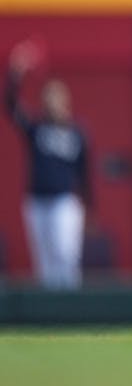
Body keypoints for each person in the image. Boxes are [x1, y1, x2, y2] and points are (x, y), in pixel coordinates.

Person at [4, 40, 91, 289]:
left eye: (57, 96)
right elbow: (11, 107)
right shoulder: (36, 127)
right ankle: (50, 319)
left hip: (65, 201)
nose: (53, 101)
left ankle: (70, 312)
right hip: (37, 200)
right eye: (49, 96)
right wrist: (16, 72)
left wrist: (89, 208)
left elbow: (85, 173)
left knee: (66, 255)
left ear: (66, 100)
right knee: (45, 264)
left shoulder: (77, 132)